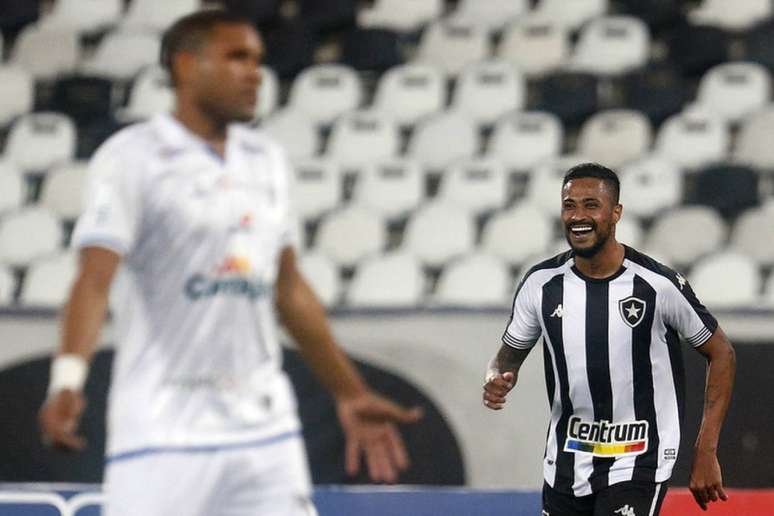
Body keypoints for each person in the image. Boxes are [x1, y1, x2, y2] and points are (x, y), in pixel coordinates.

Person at [38, 9, 422, 516]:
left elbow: (288, 290)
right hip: (162, 436)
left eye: (259, 60)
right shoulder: (130, 157)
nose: (255, 73)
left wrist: (348, 392)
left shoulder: (267, 161)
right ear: (185, 66)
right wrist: (67, 380)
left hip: (264, 435)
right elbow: (93, 280)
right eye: (237, 57)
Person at [482, 163, 735, 516]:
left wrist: (706, 450)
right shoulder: (540, 285)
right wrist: (496, 377)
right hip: (567, 460)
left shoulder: (656, 286)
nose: (577, 216)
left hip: (639, 458)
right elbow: (507, 358)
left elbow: (721, 352)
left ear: (615, 213)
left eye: (590, 205)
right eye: (569, 205)